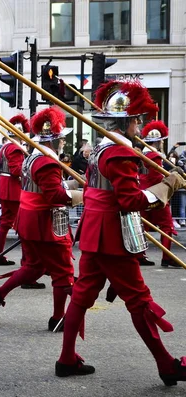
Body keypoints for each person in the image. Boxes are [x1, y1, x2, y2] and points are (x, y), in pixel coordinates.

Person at [56, 80, 186, 385]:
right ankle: (166, 364)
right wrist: (165, 188)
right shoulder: (120, 153)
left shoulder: (102, 149)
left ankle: (66, 359)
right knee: (139, 301)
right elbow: (131, 200)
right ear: (126, 121)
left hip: (95, 231)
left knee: (83, 296)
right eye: (137, 119)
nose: (140, 125)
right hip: (113, 235)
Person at [0, 106, 82, 331]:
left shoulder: (33, 157)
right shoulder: (47, 161)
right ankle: (58, 318)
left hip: (29, 220)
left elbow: (48, 187)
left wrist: (75, 183)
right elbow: (54, 195)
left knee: (35, 268)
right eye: (60, 139)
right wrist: (83, 194)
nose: (63, 143)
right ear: (54, 139)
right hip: (44, 222)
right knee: (63, 272)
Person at [137, 121, 179, 267]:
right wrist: (171, 177)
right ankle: (167, 257)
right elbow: (156, 178)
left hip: (143, 192)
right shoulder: (154, 156)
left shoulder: (144, 154)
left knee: (142, 226)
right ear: (158, 141)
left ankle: (139, 255)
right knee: (166, 226)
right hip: (156, 194)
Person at [0, 114, 28, 266]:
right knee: (21, 223)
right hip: (12, 187)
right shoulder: (15, 148)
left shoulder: (5, 146)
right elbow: (16, 170)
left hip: (5, 185)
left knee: (5, 222)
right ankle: (27, 259)